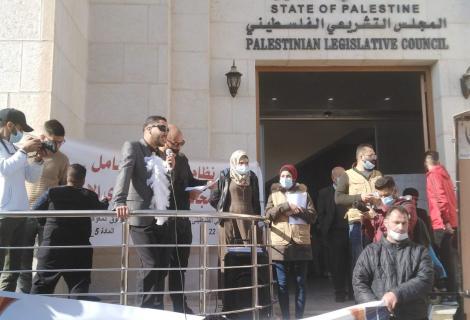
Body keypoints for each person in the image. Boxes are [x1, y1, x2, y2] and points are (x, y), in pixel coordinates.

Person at [1, 119, 69, 293]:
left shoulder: (62, 159)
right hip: (18, 212)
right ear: (43, 137)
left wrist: (39, 159)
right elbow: (8, 170)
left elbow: (57, 185)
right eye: (54, 141)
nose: (57, 145)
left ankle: (30, 298)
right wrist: (29, 152)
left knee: (41, 259)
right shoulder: (20, 150)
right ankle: (19, 296)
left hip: (42, 216)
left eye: (61, 142)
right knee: (21, 261)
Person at [112, 115, 172, 309]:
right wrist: (119, 201)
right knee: (150, 264)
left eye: (167, 129)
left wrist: (170, 167)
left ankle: (157, 310)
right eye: (162, 128)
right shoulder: (133, 147)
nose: (166, 133)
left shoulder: (162, 154)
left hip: (159, 218)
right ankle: (142, 311)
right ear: (148, 129)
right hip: (139, 217)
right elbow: (124, 173)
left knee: (161, 266)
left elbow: (162, 186)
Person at [30, 164, 108, 297]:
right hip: (79, 250)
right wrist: (105, 201)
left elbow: (35, 209)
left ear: (67, 177)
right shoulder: (89, 195)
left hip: (52, 248)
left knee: (41, 288)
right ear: (83, 180)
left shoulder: (52, 192)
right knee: (79, 286)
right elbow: (102, 208)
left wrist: (45, 222)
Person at [353, 205, 434, 320]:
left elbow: (425, 280)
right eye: (396, 222)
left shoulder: (420, 252)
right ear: (386, 223)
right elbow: (359, 282)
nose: (400, 227)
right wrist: (376, 307)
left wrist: (396, 294)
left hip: (413, 316)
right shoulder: (370, 251)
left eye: (404, 223)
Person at [160, 124, 208, 313]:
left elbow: (189, 181)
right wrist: (168, 166)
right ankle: (154, 307)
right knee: (158, 267)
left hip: (182, 222)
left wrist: (206, 185)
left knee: (180, 267)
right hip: (163, 223)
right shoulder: (155, 158)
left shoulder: (182, 159)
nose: (179, 146)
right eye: (175, 142)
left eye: (182, 143)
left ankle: (180, 307)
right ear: (165, 140)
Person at [0, 108, 44, 291]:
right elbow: (5, 169)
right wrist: (24, 150)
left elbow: (31, 177)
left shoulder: (14, 148)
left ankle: (5, 305)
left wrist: (39, 160)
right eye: (20, 128)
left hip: (20, 213)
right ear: (9, 125)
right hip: (4, 214)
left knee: (13, 268)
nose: (21, 134)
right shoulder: (15, 150)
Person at [265, 164, 316, 319]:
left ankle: (299, 316)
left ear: (294, 177)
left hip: (301, 242)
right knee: (282, 284)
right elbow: (267, 215)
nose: (285, 179)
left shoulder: (304, 194)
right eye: (282, 176)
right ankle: (286, 317)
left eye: (288, 176)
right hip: (280, 243)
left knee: (301, 283)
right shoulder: (273, 194)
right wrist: (284, 206)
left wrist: (301, 211)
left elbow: (313, 216)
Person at [335, 143, 382, 270]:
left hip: (376, 220)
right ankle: (358, 288)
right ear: (361, 156)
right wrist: (359, 197)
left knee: (377, 257)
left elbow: (385, 193)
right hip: (357, 221)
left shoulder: (378, 174)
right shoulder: (348, 175)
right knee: (359, 258)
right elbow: (338, 198)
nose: (374, 158)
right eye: (371, 155)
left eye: (375, 155)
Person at [424, 150, 459, 293]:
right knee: (452, 260)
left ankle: (453, 293)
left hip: (442, 223)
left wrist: (445, 222)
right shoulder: (445, 175)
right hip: (450, 221)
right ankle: (455, 292)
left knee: (447, 261)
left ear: (426, 162)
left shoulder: (433, 175)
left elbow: (440, 199)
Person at [317, 166, 352, 302]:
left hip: (350, 230)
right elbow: (321, 214)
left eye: (345, 176)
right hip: (334, 233)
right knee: (337, 265)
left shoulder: (350, 190)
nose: (343, 179)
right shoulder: (324, 193)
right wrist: (325, 229)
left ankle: (353, 292)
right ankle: (340, 293)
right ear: (333, 178)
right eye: (340, 176)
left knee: (352, 262)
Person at [369, 176, 417, 243]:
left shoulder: (407, 206)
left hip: (399, 248)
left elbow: (400, 230)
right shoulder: (380, 208)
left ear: (394, 191)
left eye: (386, 195)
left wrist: (379, 212)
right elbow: (375, 234)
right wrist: (368, 220)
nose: (383, 198)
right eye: (380, 196)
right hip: (380, 248)